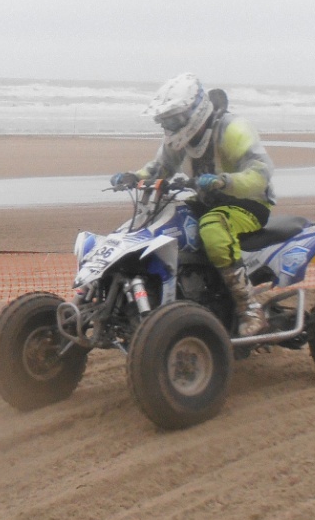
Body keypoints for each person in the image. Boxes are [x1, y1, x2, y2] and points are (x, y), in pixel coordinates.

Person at [111, 73, 275, 337]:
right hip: (206, 201)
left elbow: (261, 173)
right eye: (166, 121)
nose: (170, 126)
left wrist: (224, 181)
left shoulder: (233, 129)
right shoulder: (182, 138)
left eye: (174, 120)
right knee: (165, 219)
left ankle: (249, 307)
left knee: (212, 228)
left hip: (248, 204)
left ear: (195, 112)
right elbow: (160, 168)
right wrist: (135, 177)